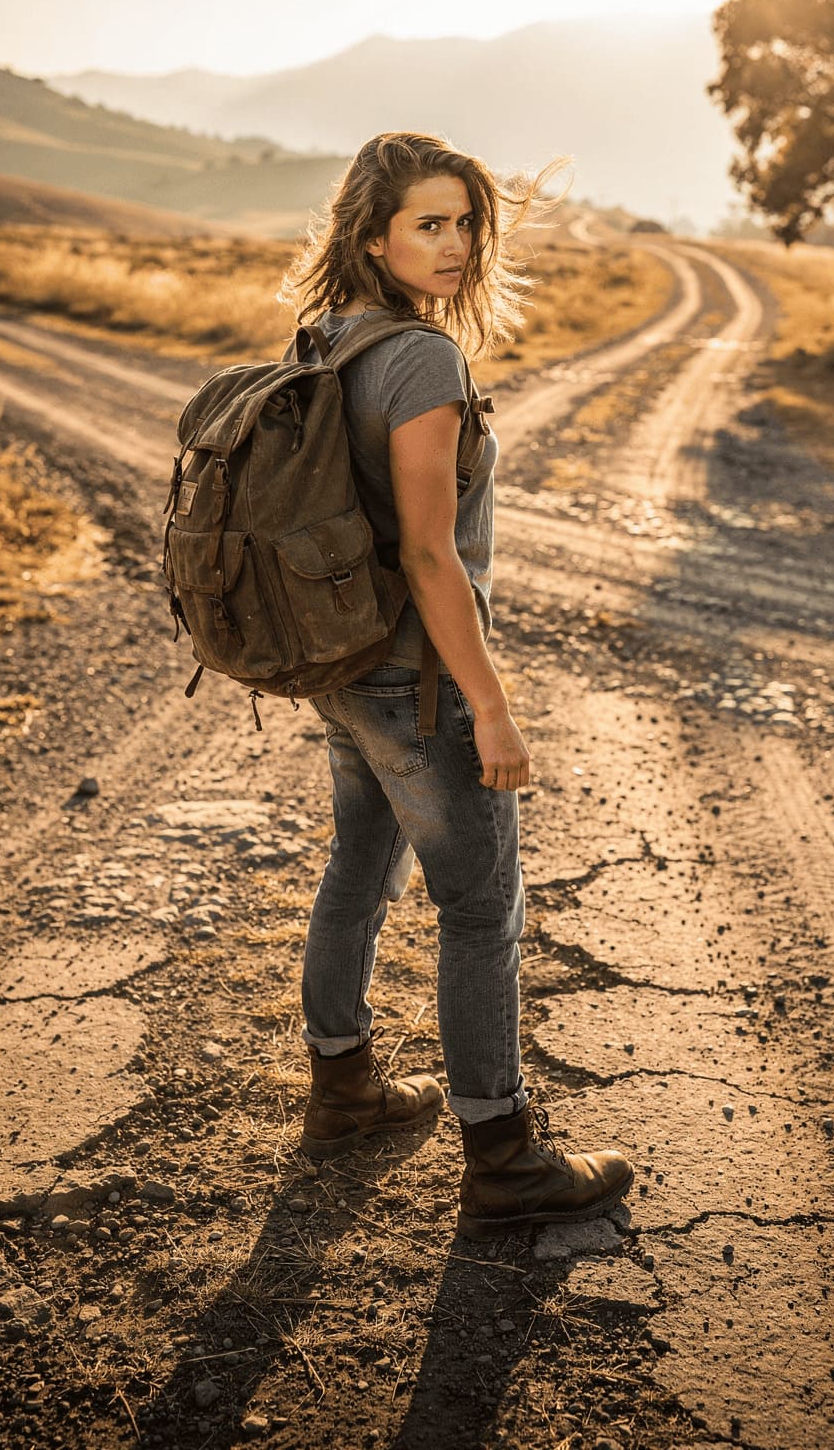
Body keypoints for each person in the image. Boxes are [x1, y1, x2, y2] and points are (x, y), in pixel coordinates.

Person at [280, 132, 631, 1239]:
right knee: (482, 909)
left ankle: (344, 1089)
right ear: (371, 237)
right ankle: (504, 1156)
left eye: (466, 222)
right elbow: (431, 554)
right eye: (428, 224)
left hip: (344, 662)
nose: (456, 244)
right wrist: (492, 706)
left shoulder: (325, 336)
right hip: (417, 680)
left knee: (359, 864)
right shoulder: (424, 360)